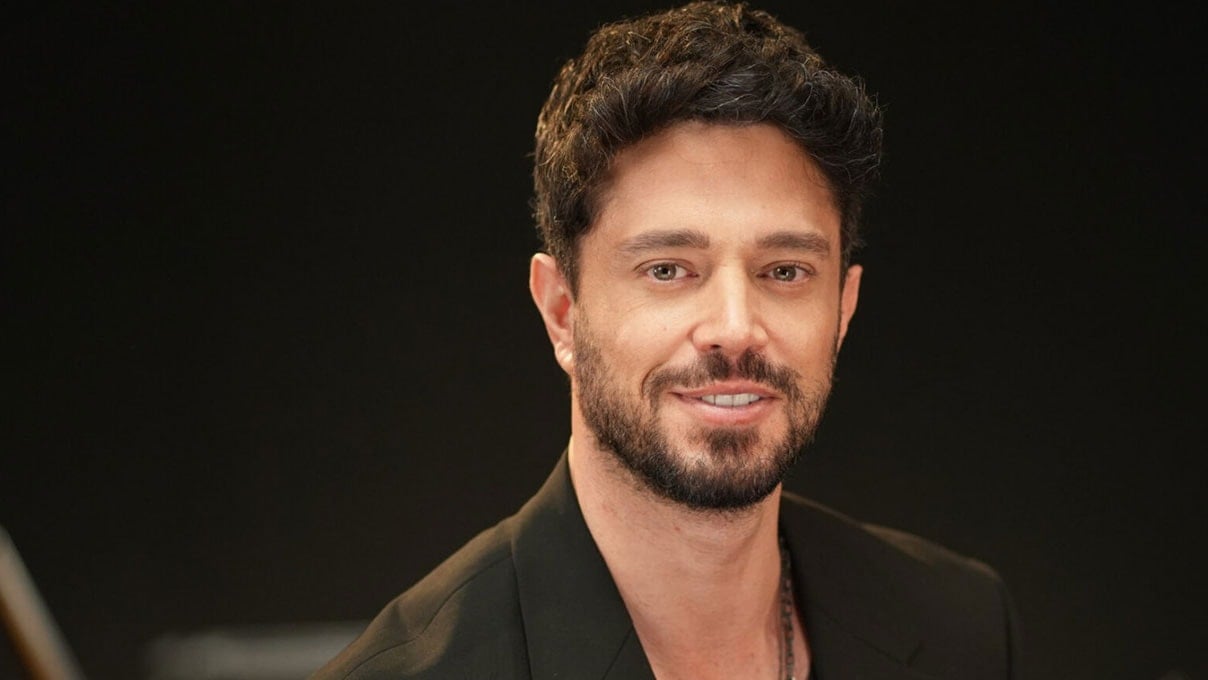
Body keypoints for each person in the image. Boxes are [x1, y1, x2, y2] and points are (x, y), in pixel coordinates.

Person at [313, 2, 1018, 678]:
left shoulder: (961, 626)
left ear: (844, 307)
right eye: (668, 269)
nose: (735, 328)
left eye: (784, 271)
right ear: (561, 310)